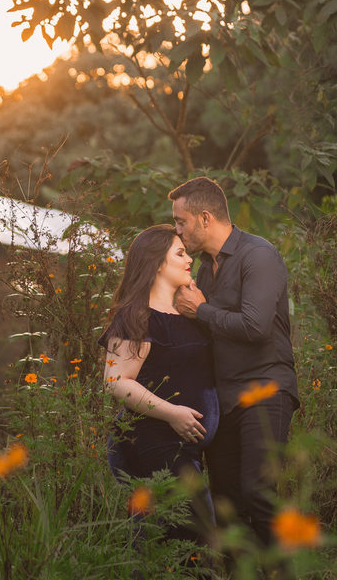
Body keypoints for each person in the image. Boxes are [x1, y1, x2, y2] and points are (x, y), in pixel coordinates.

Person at [169, 176, 299, 551]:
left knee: (258, 494)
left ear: (205, 218)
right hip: (224, 400)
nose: (178, 231)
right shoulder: (206, 268)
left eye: (182, 222)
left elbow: (256, 327)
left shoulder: (258, 255)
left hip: (265, 389)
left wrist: (202, 310)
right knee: (226, 504)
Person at [98, 224, 219, 544]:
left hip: (182, 447)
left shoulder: (186, 316)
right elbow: (115, 382)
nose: (189, 259)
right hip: (150, 441)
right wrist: (172, 413)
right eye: (179, 253)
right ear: (156, 263)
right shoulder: (135, 315)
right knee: (194, 537)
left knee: (171, 541)